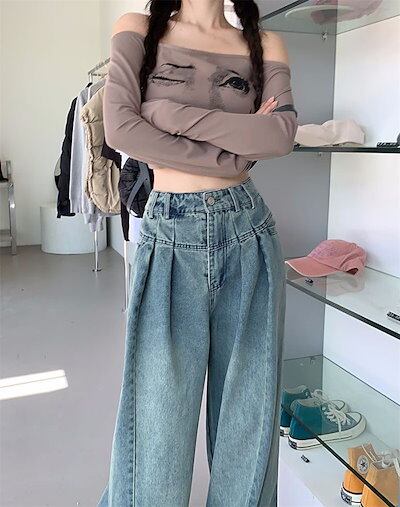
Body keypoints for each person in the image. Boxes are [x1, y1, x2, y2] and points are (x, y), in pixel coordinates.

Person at [98, 0, 298, 505]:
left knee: (249, 425)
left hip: (248, 232)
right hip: (170, 234)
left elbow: (279, 135)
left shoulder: (265, 43)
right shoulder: (138, 29)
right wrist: (232, 152)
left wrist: (165, 115)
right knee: (156, 425)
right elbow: (120, 128)